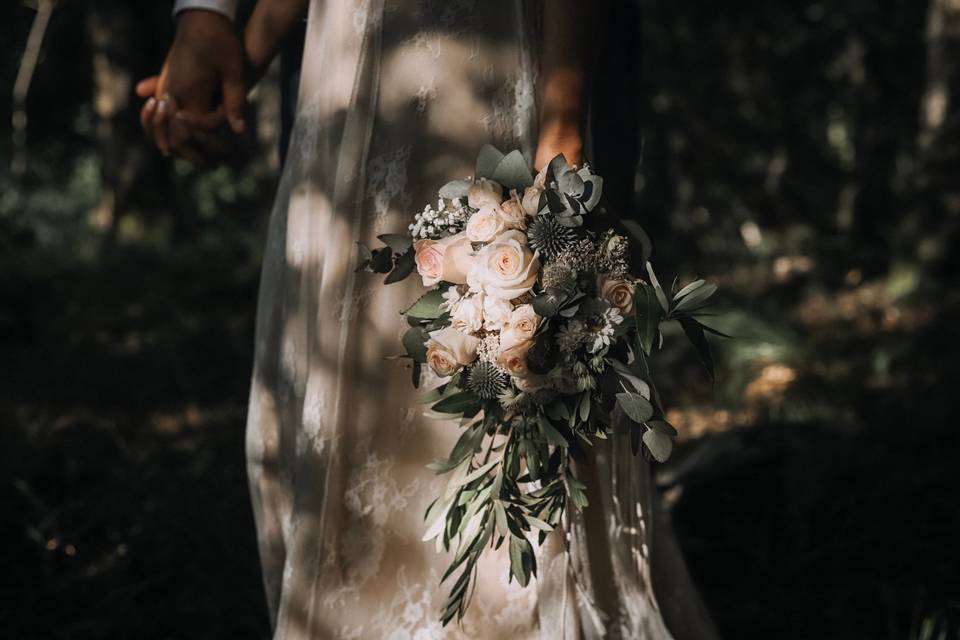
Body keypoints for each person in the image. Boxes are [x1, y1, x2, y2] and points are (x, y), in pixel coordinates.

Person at [140, 2, 721, 638]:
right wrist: (227, 62)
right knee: (346, 351)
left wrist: (560, 116)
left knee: (504, 352)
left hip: (480, 64)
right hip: (339, 78)